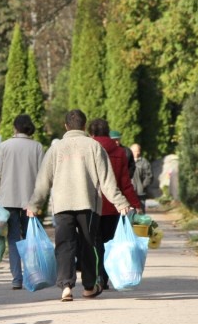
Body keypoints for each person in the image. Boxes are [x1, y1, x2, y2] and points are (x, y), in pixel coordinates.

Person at [26, 109, 133, 302]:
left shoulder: (56, 148)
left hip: (61, 205)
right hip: (87, 205)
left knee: (64, 245)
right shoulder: (94, 146)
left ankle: (66, 286)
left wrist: (34, 204)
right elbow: (107, 180)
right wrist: (120, 202)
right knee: (88, 244)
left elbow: (43, 181)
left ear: (66, 126)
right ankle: (89, 287)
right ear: (84, 126)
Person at [0, 115, 44, 289]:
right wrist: (41, 200)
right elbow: (42, 176)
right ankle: (32, 276)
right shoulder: (37, 147)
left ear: (15, 128)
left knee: (13, 239)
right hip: (30, 200)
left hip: (8, 199)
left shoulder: (5, 146)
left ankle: (16, 279)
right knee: (30, 239)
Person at [89, 119, 141, 289]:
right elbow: (126, 182)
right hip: (114, 206)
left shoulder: (89, 149)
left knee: (95, 243)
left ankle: (98, 276)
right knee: (111, 242)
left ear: (92, 134)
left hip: (93, 205)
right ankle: (107, 276)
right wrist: (134, 203)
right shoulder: (119, 152)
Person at [130, 143, 153, 210]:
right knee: (130, 213)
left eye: (138, 151)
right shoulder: (127, 160)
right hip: (130, 192)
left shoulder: (144, 162)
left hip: (141, 193)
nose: (137, 153)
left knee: (141, 212)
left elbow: (149, 176)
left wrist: (143, 186)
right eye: (135, 151)